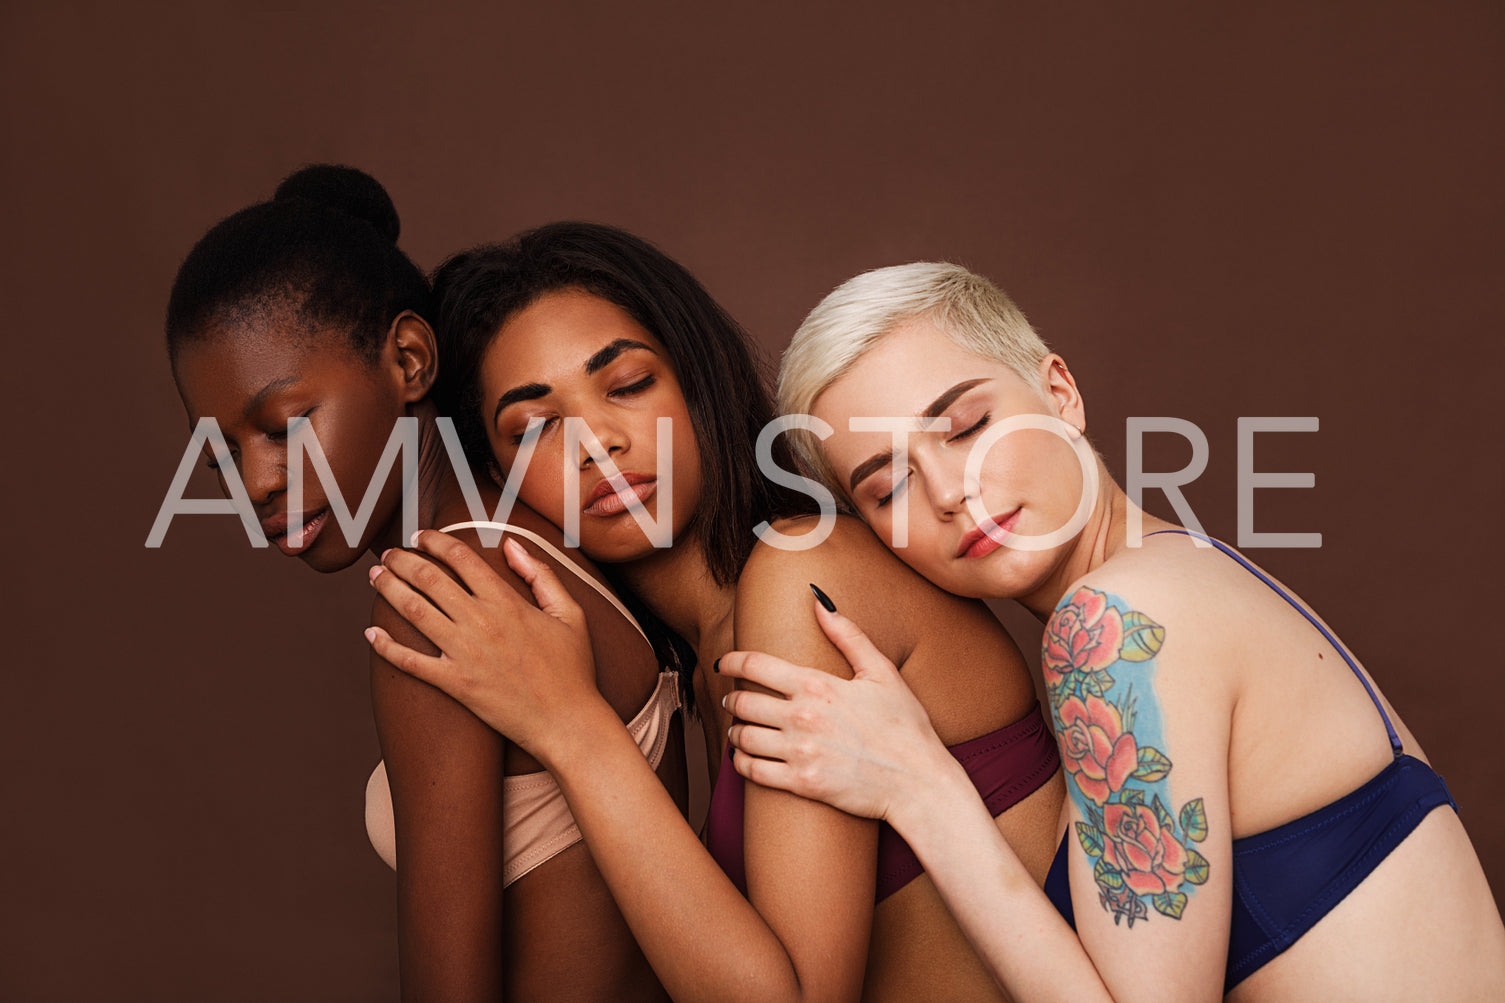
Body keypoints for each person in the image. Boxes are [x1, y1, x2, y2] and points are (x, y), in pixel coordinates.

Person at [704, 262, 1505, 1000]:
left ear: (1059, 393)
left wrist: (918, 785)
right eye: (889, 487)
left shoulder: (1119, 619)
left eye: (966, 426)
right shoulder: (1183, 572)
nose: (949, 491)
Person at [364, 222, 1065, 1001]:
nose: (596, 441)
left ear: (699, 379)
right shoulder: (702, 655)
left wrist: (569, 727)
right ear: (501, 480)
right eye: (534, 428)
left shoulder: (804, 573)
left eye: (627, 384)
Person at [166, 166, 687, 1002]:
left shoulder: (438, 603)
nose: (255, 480)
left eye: (284, 425)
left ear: (408, 359)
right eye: (223, 451)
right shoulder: (540, 531)